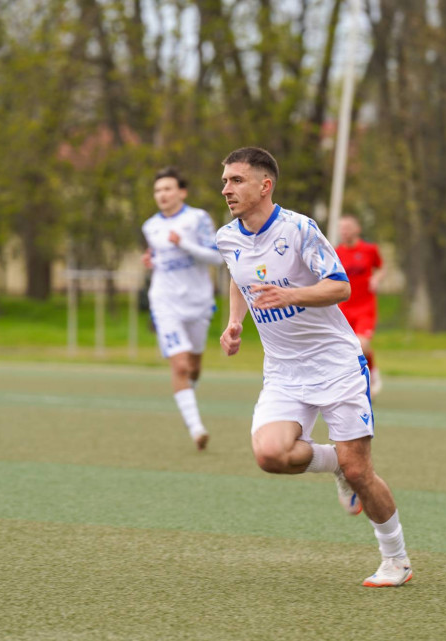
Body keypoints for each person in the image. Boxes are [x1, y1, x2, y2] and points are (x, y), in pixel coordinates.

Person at [216, 147, 412, 587]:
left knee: (361, 471)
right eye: (225, 181)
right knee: (270, 455)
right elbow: (237, 275)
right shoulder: (226, 237)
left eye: (236, 180)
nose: (226, 189)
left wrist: (290, 295)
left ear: (265, 186)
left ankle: (396, 560)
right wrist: (234, 322)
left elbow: (340, 287)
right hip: (284, 372)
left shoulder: (299, 229)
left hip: (336, 365)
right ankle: (335, 464)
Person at [141, 167, 222, 451]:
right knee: (180, 365)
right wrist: (151, 262)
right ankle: (196, 428)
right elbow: (159, 257)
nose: (162, 194)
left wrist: (184, 244)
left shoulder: (198, 218)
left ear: (182, 192)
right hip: (165, 302)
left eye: (167, 188)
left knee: (194, 367)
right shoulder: (150, 226)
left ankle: (187, 392)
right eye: (157, 190)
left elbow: (217, 258)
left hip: (198, 302)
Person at [335, 215, 384, 395]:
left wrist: (376, 279)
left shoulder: (370, 250)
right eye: (342, 228)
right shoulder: (336, 252)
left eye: (348, 227)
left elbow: (381, 268)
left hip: (365, 308)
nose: (344, 231)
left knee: (362, 345)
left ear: (357, 229)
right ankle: (352, 383)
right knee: (345, 349)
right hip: (344, 309)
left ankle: (373, 373)